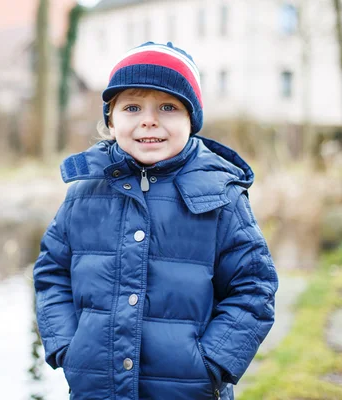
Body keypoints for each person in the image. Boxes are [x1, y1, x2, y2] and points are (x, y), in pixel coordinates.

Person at [32, 41, 278, 400]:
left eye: (168, 106)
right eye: (133, 107)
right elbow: (51, 273)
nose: (150, 119)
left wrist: (213, 363)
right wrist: (67, 347)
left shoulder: (220, 195)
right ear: (111, 120)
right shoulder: (84, 191)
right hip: (97, 388)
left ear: (191, 119)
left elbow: (254, 286)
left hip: (188, 389)